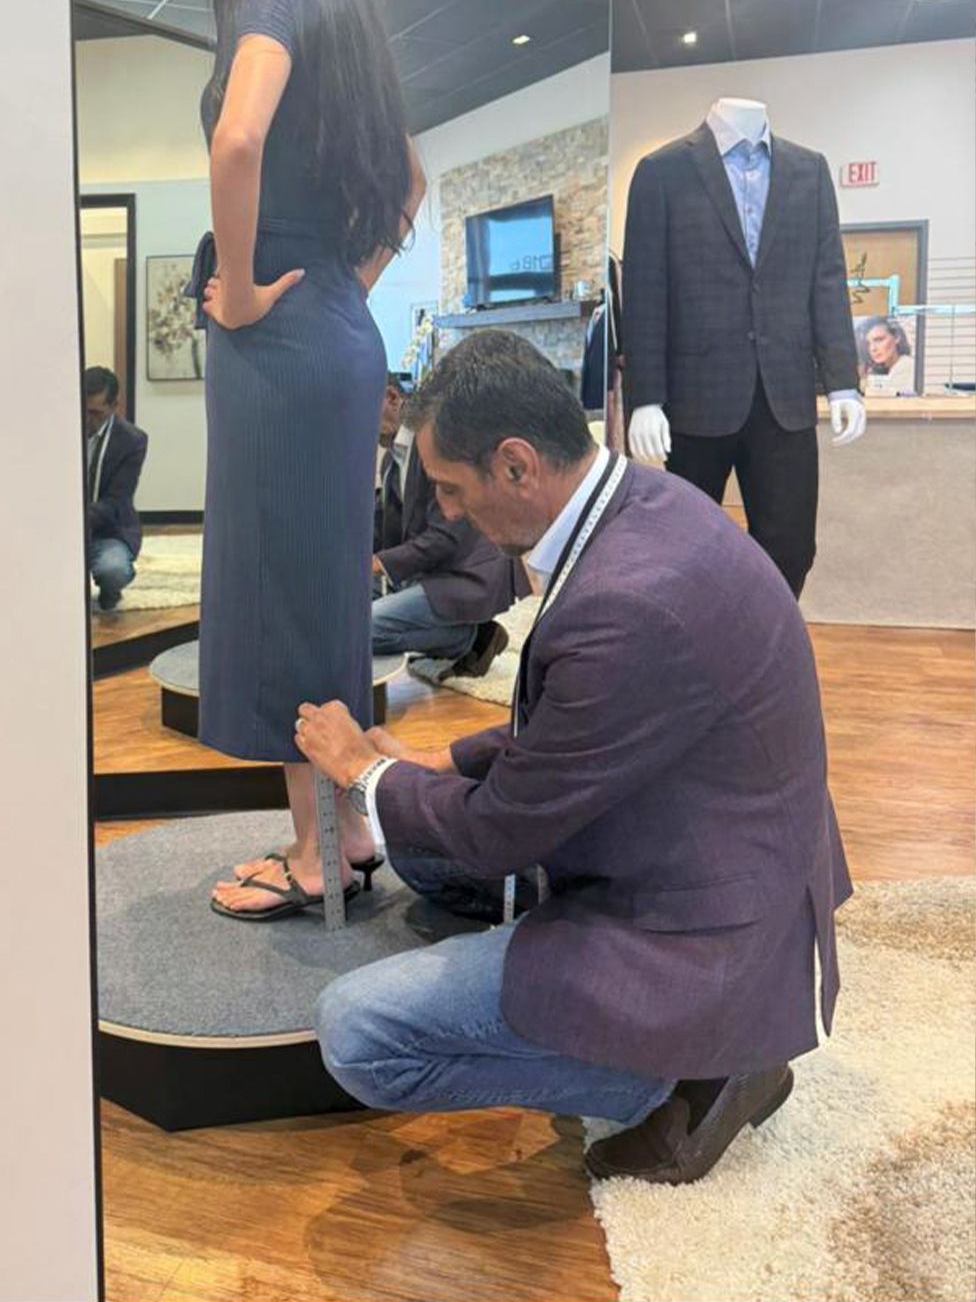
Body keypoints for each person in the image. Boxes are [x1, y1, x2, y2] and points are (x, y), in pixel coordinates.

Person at [296, 330, 852, 1186]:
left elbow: (493, 837)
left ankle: (681, 1075)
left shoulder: (628, 601)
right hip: (704, 847)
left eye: (452, 489)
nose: (444, 513)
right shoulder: (643, 506)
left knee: (358, 1032)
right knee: (418, 844)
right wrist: (442, 761)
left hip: (700, 928)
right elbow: (593, 723)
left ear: (516, 465)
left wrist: (360, 774)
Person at [189, 0, 426, 921]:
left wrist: (238, 287)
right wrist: (346, 290)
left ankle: (315, 849)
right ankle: (351, 824)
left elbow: (236, 144)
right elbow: (412, 184)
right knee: (320, 584)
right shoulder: (348, 17)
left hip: (277, 340)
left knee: (284, 594)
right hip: (331, 325)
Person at [374, 376, 526, 674]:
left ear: (392, 397)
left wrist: (378, 563)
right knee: (341, 616)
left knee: (363, 628)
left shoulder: (437, 448)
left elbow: (445, 537)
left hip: (465, 572)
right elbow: (384, 530)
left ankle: (471, 639)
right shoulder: (391, 462)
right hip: (429, 570)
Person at [84, 366, 148, 613]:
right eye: (83, 410)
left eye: (96, 413)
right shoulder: (62, 431)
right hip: (60, 531)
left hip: (108, 530)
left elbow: (117, 500)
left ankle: (110, 591)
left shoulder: (132, 441)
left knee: (114, 570)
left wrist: (80, 520)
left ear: (114, 406)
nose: (88, 420)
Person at [856, 315, 914, 392]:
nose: (873, 348)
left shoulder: (906, 366)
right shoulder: (879, 370)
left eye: (879, 340)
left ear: (897, 337)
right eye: (868, 343)